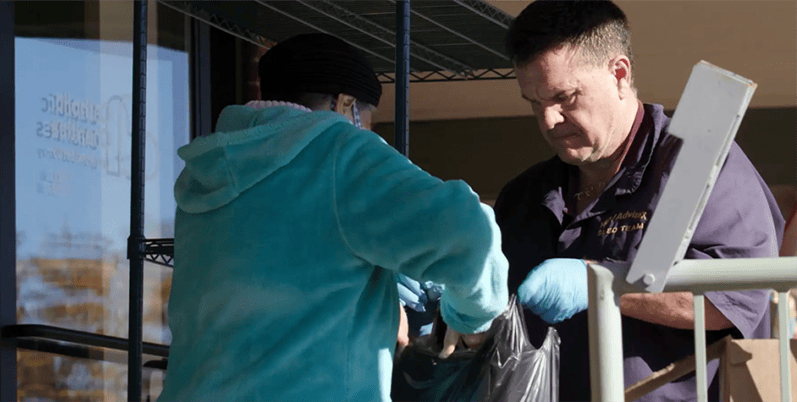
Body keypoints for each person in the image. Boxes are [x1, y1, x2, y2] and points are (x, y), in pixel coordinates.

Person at [158, 33, 508, 401]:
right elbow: (468, 231)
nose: (368, 130)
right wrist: (470, 317)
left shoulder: (207, 172)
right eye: (366, 118)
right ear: (345, 104)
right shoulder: (340, 151)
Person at [496, 1, 785, 400]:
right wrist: (457, 296)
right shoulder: (525, 197)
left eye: (564, 97)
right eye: (534, 102)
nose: (548, 121)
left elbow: (736, 299)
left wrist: (602, 283)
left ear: (619, 74)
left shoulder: (696, 165)